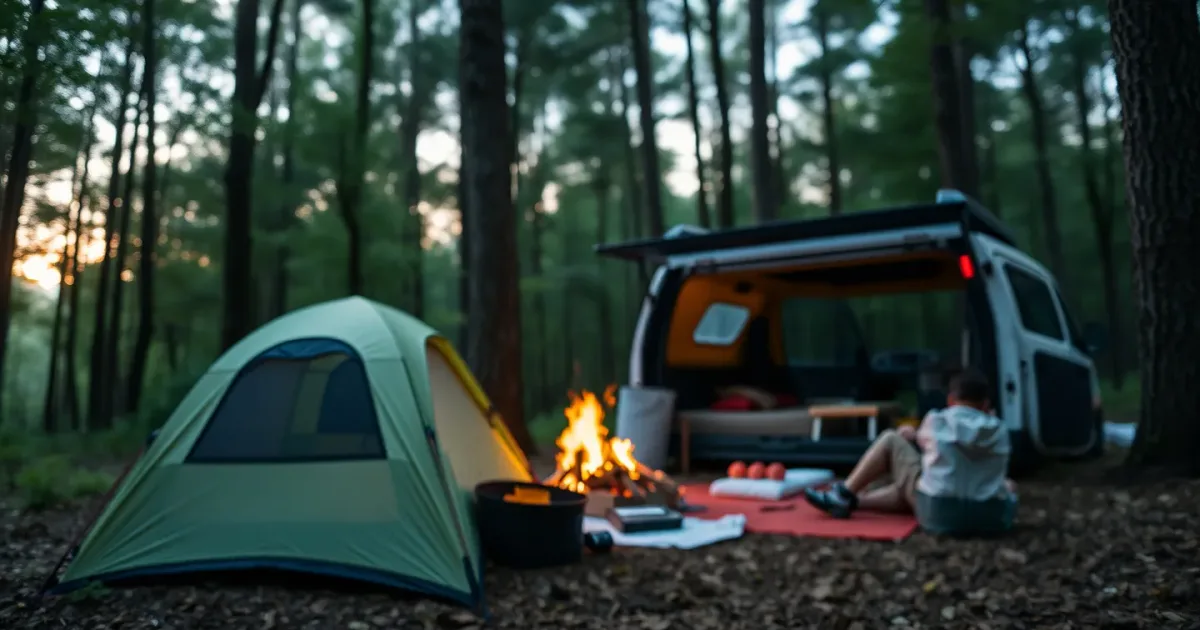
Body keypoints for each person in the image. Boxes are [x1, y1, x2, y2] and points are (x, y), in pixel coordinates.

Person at [803, 369, 1017, 533]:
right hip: (990, 521)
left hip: (937, 516)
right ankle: (856, 502)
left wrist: (910, 432)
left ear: (951, 400)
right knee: (1005, 484)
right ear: (986, 404)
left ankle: (843, 494)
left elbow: (922, 443)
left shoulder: (937, 420)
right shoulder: (1000, 430)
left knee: (891, 441)